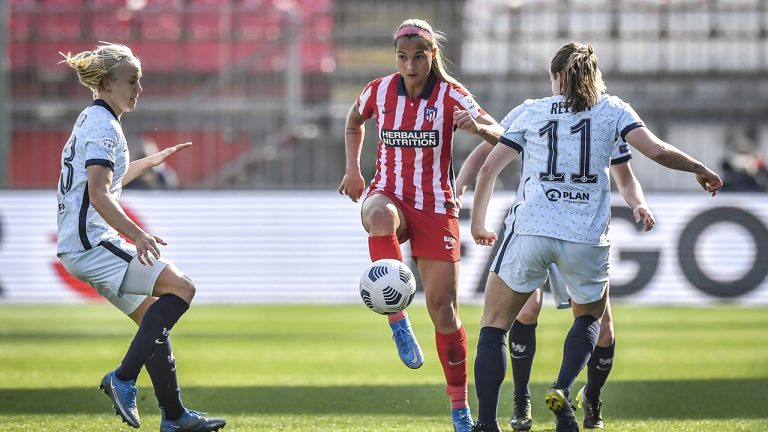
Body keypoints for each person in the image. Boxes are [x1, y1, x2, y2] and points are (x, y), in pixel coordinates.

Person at [453, 41, 722, 432]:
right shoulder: (614, 110)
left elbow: (489, 168)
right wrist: (699, 168)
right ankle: (562, 387)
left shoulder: (533, 110)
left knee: (494, 324)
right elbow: (659, 152)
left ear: (557, 77)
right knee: (591, 319)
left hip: (532, 228)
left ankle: (487, 422)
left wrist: (477, 221)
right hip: (584, 236)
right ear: (594, 76)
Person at [338, 19, 503, 432]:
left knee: (444, 311)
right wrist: (353, 170)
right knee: (378, 216)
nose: (409, 66)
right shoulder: (378, 90)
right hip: (386, 192)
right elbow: (354, 121)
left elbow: (501, 134)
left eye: (417, 57)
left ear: (432, 55)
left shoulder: (451, 95)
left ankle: (460, 408)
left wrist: (479, 127)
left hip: (435, 204)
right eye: (402, 57)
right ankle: (397, 319)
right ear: (396, 56)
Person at [56, 42, 225, 432]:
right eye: (132, 80)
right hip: (91, 242)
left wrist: (148, 162)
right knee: (182, 289)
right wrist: (137, 234)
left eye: (140, 80)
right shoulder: (103, 126)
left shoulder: (91, 118)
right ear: (107, 83)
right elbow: (98, 194)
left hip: (78, 244)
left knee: (153, 321)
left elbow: (103, 182)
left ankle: (175, 417)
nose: (138, 88)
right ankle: (123, 378)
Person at [456, 108, 655, 431]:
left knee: (603, 329)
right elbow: (488, 150)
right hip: (538, 224)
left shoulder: (605, 119)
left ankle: (591, 395)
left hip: (578, 230)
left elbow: (625, 176)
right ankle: (522, 400)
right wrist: (461, 183)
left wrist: (638, 204)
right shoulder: (533, 110)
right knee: (526, 310)